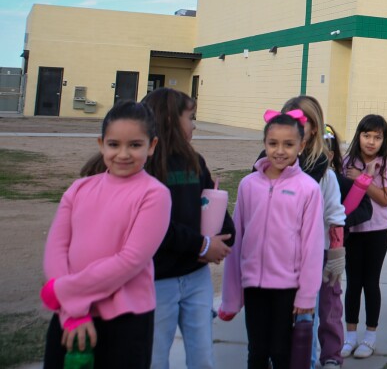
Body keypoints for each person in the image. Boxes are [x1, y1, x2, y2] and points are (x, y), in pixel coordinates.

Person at [41, 101, 172, 368]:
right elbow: (56, 249)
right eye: (114, 144)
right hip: (68, 316)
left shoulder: (155, 194)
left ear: (152, 146)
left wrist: (62, 292)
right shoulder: (78, 188)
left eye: (135, 145)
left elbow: (130, 261)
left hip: (125, 320)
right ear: (102, 144)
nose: (123, 154)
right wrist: (73, 313)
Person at [219, 110, 324, 368]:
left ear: (301, 145)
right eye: (273, 143)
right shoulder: (248, 185)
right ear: (264, 144)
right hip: (254, 285)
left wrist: (307, 296)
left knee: (281, 353)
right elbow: (238, 240)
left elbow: (312, 246)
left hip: (288, 287)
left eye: (288, 144)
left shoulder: (308, 188)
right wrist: (231, 298)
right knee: (256, 352)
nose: (280, 151)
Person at [142, 88, 235, 369]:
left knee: (203, 356)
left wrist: (225, 237)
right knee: (156, 358)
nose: (194, 124)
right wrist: (202, 246)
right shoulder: (145, 166)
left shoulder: (195, 161)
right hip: (158, 280)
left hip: (196, 278)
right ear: (169, 119)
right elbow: (155, 227)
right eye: (191, 117)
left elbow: (214, 206)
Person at [255, 96, 347, 368]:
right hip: (274, 258)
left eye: (298, 122)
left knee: (308, 315)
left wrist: (335, 254)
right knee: (276, 319)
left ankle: (312, 358)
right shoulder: (264, 169)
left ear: (313, 129)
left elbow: (334, 213)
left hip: (311, 257)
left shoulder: (323, 173)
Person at [341, 114, 387, 359]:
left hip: (377, 233)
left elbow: (385, 198)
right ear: (359, 136)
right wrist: (357, 176)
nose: (371, 142)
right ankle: (350, 336)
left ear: (383, 139)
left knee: (371, 283)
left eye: (377, 137)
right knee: (353, 283)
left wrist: (366, 178)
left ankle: (370, 336)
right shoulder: (347, 163)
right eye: (367, 135)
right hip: (353, 232)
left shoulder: (386, 164)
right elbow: (345, 200)